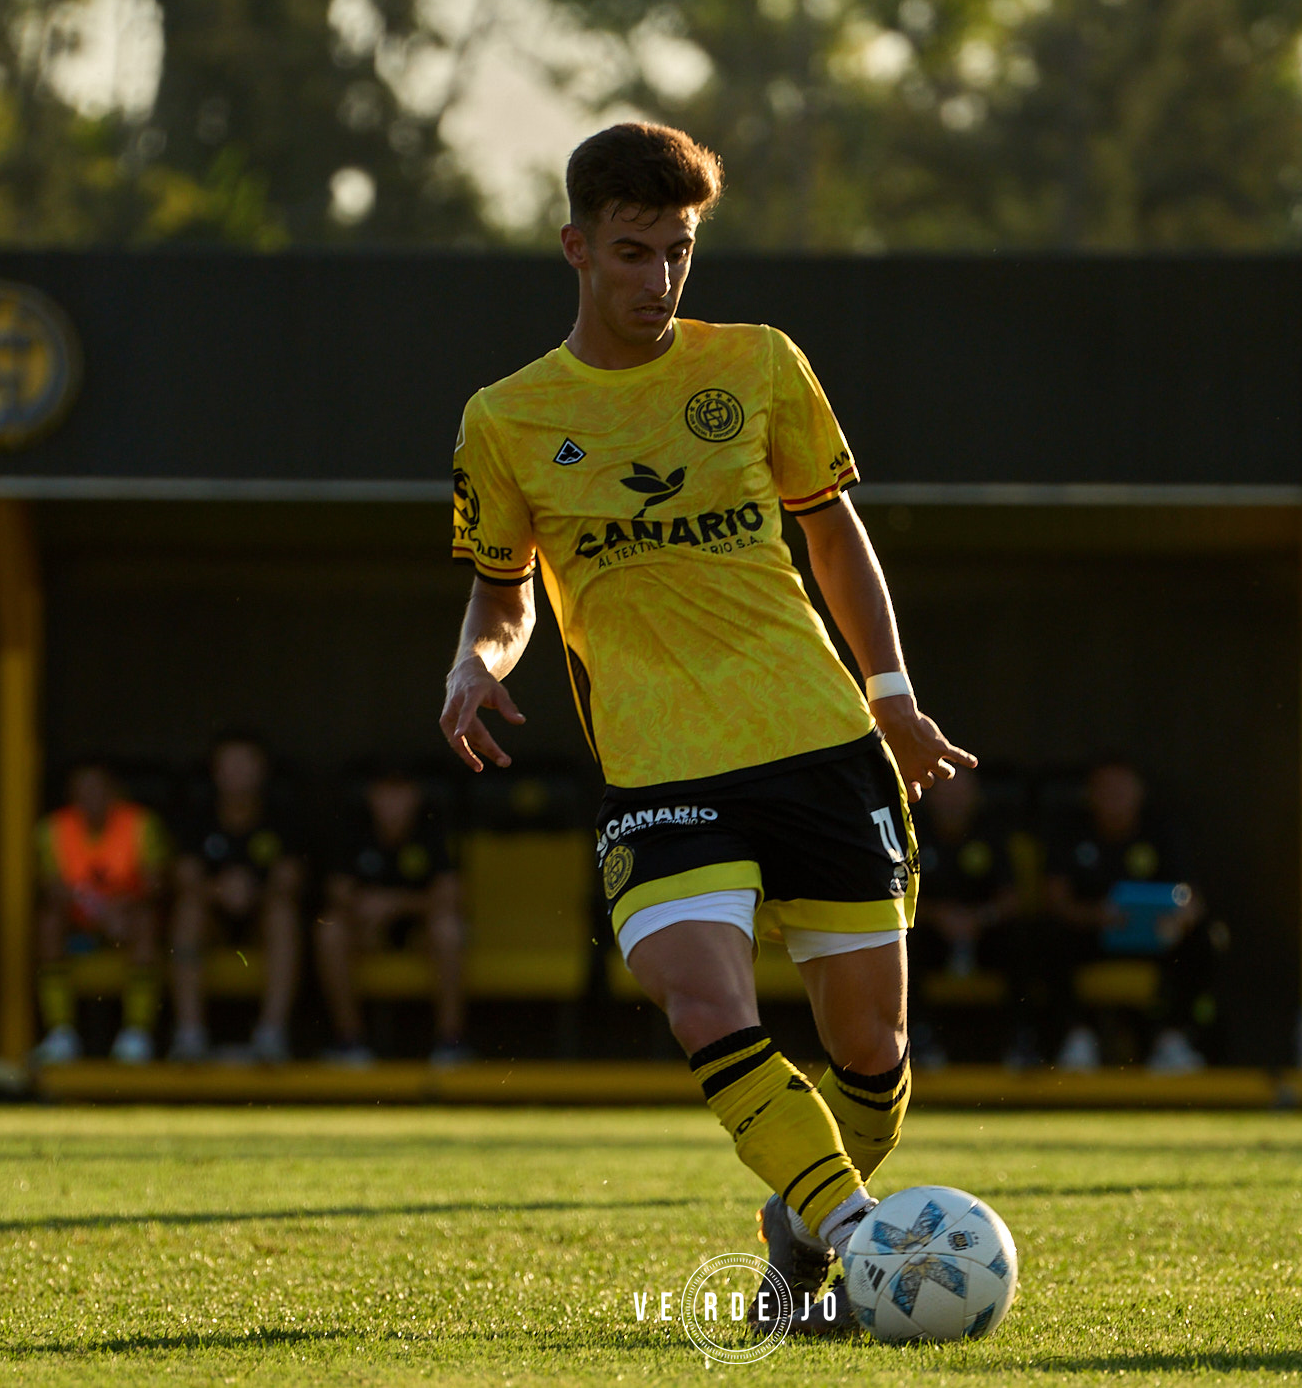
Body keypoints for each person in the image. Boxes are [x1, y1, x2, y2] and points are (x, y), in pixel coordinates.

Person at [438, 122, 973, 1334]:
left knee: (874, 1060)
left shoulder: (761, 365)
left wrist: (892, 699)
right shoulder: (507, 418)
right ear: (576, 247)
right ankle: (862, 1240)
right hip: (660, 766)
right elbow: (501, 584)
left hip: (821, 743)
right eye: (632, 253)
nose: (658, 281)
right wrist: (475, 665)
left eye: (678, 252)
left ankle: (795, 1237)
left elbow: (833, 533)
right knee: (701, 1004)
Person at [1033, 759, 1214, 1074]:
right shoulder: (1070, 831)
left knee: (1206, 940)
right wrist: (1096, 915)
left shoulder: (1162, 830)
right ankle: (1076, 1039)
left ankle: (1173, 1038)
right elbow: (1055, 901)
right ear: (1090, 794)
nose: (1113, 796)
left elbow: (1192, 899)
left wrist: (1176, 919)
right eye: (1105, 789)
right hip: (1091, 937)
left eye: (1121, 789)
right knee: (1044, 937)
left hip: (1154, 939)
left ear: (1139, 793)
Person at [314, 764, 470, 1067]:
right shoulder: (354, 828)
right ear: (372, 797)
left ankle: (451, 1042)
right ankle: (349, 1042)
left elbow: (451, 895)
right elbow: (336, 891)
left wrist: (396, 902)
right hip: (366, 929)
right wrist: (366, 909)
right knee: (329, 931)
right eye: (385, 794)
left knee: (449, 929)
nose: (392, 804)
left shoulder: (432, 828)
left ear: (415, 797)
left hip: (419, 931)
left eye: (400, 794)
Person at [168, 734, 305, 1063]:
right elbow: (184, 878)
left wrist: (250, 892)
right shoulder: (197, 817)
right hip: (213, 921)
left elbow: (291, 880)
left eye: (246, 764)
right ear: (215, 772)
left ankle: (271, 1033)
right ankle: (190, 1033)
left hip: (261, 920)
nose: (238, 773)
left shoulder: (281, 818)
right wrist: (219, 890)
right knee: (188, 911)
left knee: (283, 913)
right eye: (230, 765)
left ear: (262, 771)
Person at [32, 762, 171, 1065]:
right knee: (48, 921)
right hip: (78, 919)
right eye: (82, 791)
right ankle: (60, 1034)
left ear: (114, 793)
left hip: (128, 916)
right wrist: (96, 911)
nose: (90, 797)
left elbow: (156, 882)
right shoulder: (52, 829)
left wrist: (119, 908)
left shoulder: (141, 823)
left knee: (147, 921)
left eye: (98, 790)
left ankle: (137, 1034)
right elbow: (51, 887)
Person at [905, 770, 1019, 1069]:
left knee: (1025, 943)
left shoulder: (992, 833)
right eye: (946, 792)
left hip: (983, 934)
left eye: (961, 792)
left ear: (975, 797)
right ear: (930, 795)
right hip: (930, 933)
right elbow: (892, 894)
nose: (953, 801)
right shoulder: (912, 831)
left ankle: (1019, 1043)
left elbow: (1011, 898)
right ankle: (920, 1039)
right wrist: (938, 916)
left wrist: (979, 918)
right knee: (900, 944)